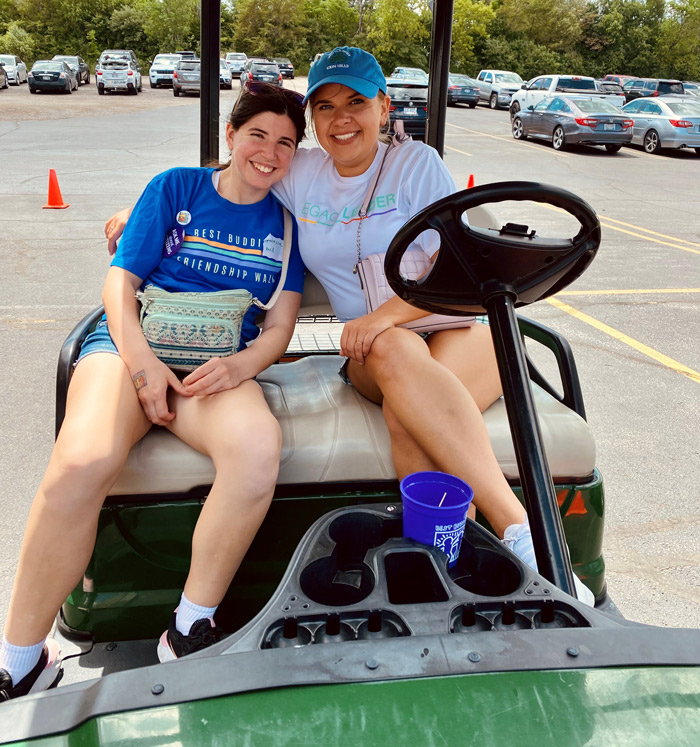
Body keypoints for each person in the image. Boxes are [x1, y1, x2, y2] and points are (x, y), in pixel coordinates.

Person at [104, 48, 595, 604]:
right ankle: (523, 538)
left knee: (409, 413)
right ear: (312, 118)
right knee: (393, 356)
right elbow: (233, 178)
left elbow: (460, 270)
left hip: (455, 326)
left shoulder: (418, 165)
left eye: (356, 102)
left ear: (384, 107)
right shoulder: (304, 174)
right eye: (326, 105)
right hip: (378, 350)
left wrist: (384, 317)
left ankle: (446, 566)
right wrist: (141, 206)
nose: (341, 118)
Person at [0, 82, 307, 700]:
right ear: (231, 135)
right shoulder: (176, 188)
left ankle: (189, 627)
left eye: (285, 143)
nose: (270, 152)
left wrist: (241, 367)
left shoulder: (286, 228)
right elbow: (121, 284)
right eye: (258, 135)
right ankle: (21, 660)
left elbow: (280, 326)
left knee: (255, 452)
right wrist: (142, 365)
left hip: (213, 369)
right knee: (83, 460)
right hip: (131, 347)